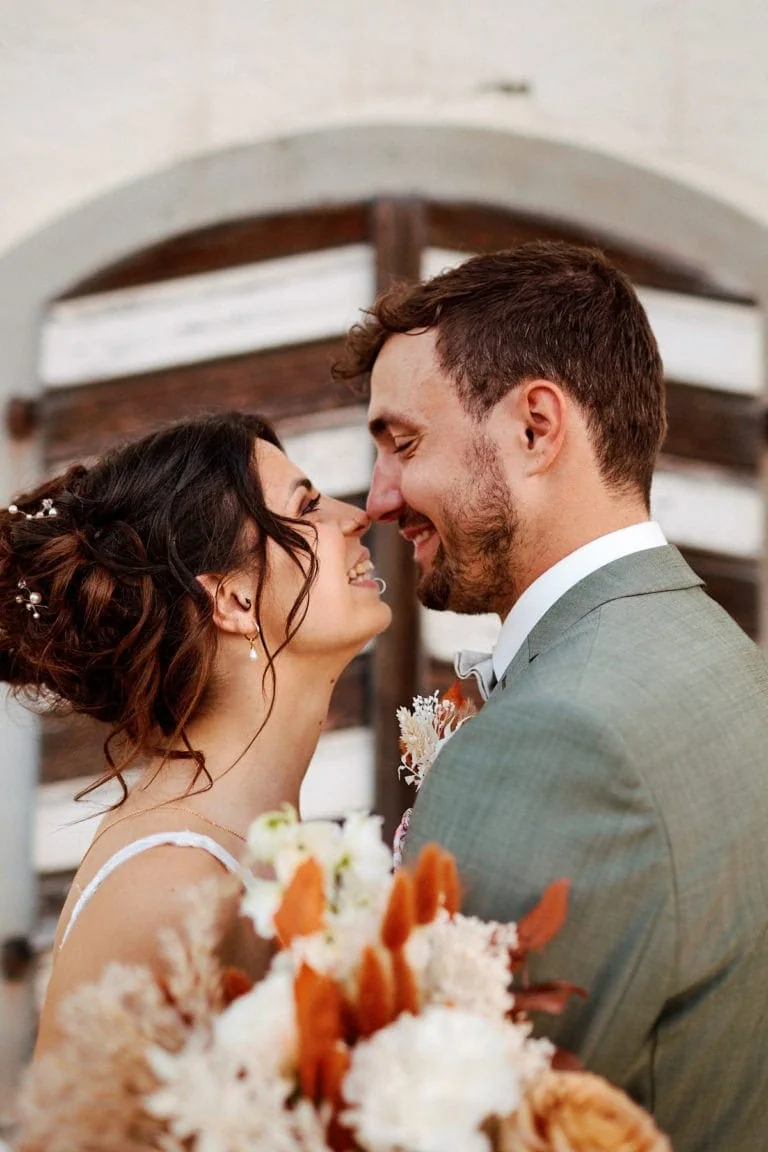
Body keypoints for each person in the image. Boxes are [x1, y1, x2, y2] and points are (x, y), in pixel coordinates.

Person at [335, 242, 768, 1152]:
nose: (377, 500)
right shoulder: (728, 662)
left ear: (536, 426)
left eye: (403, 443)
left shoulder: (560, 740)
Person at [0, 411, 390, 1055]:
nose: (354, 517)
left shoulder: (253, 841)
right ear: (234, 601)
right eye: (308, 505)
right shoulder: (171, 888)